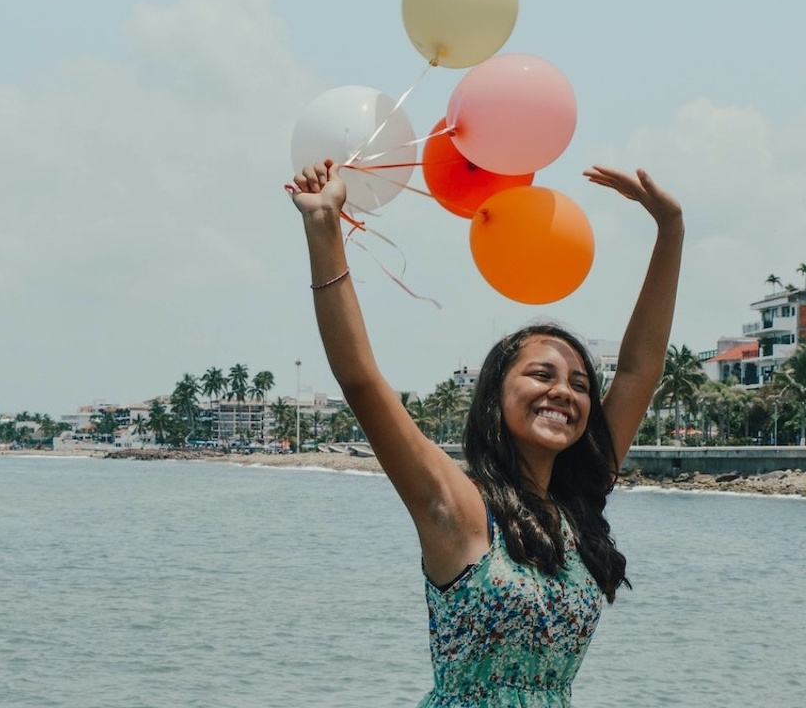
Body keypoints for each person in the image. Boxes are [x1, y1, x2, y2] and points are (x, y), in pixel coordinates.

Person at [289, 158, 683, 707]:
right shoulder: (460, 507)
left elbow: (640, 371)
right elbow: (359, 377)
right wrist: (323, 225)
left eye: (579, 384)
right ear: (496, 395)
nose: (564, 393)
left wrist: (670, 231)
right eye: (541, 375)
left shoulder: (577, 508)